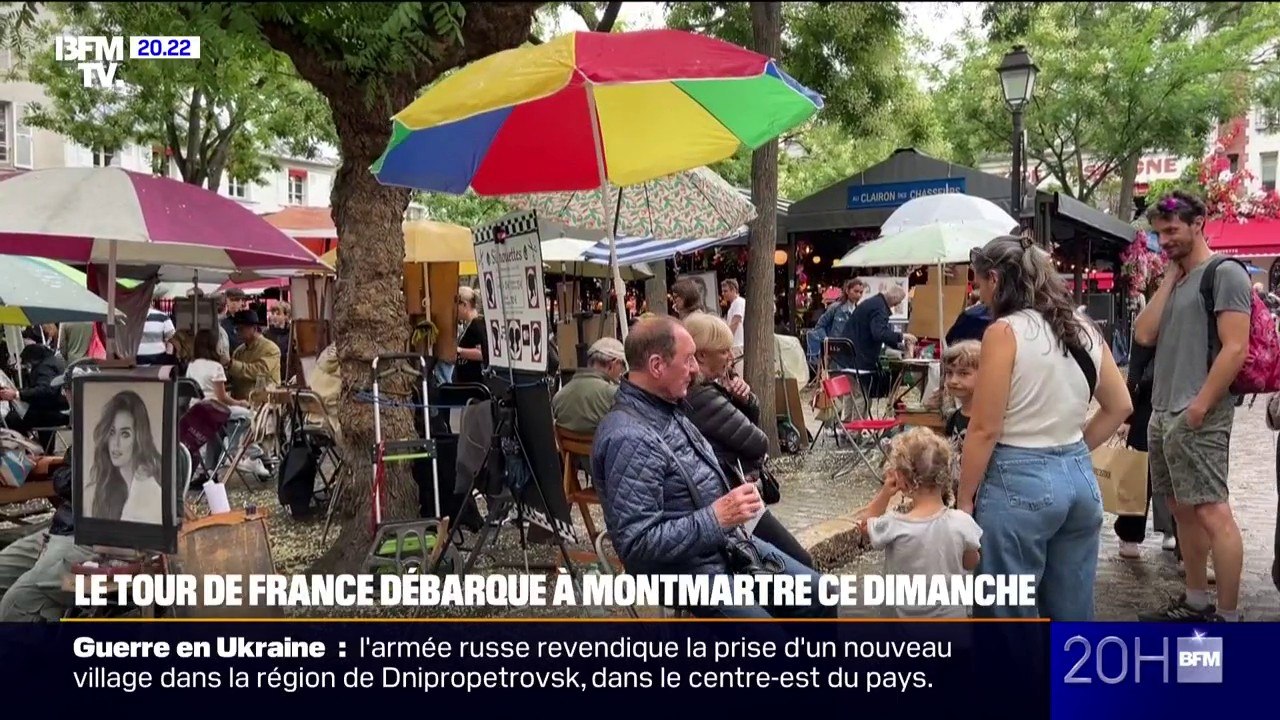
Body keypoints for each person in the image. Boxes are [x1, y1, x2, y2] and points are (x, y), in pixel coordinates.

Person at [591, 316, 834, 619]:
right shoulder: (629, 436)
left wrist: (731, 494)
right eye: (688, 359)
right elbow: (638, 544)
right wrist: (716, 517)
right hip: (685, 572)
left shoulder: (667, 405)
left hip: (726, 547)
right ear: (656, 366)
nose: (694, 369)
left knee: (822, 592)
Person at [958, 235, 1132, 621]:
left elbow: (985, 427)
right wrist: (1072, 452)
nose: (978, 291)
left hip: (1017, 481)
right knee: (1072, 611)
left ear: (996, 280)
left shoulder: (1004, 332)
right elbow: (1120, 406)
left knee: (1007, 614)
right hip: (1078, 478)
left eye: (979, 281)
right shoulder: (1083, 326)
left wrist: (965, 499)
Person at [1133, 191, 1250, 622]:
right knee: (1182, 507)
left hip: (1197, 410)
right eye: (1159, 233)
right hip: (1165, 410)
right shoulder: (1178, 278)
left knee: (1212, 509)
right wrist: (1167, 278)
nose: (1164, 240)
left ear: (1198, 222)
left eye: (1172, 230)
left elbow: (1235, 348)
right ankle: (1196, 598)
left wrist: (1199, 408)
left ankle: (1229, 614)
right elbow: (1144, 334)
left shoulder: (1225, 274)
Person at [683, 312, 815, 569]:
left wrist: (745, 400)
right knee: (801, 562)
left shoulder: (704, 391)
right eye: (723, 351)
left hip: (720, 500)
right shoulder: (703, 397)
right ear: (701, 356)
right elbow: (757, 442)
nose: (730, 357)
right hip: (728, 501)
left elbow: (742, 430)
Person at [0, 367, 96, 621]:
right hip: (63, 527)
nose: (64, 397)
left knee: (17, 603)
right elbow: (67, 480)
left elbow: (69, 483)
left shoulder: (107, 429)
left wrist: (64, 473)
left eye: (65, 391)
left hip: (89, 538)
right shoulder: (85, 428)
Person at [859, 428, 982, 618]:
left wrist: (885, 492)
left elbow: (865, 525)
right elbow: (971, 562)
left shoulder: (893, 526)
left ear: (903, 479)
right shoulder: (962, 524)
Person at [1113, 340, 1179, 560]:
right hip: (1148, 397)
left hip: (1182, 395)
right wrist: (1128, 416)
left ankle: (1176, 534)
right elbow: (1135, 370)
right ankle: (1130, 532)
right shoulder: (1151, 323)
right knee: (1138, 468)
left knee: (1176, 472)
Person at [84, 390, 164, 523]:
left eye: (125, 434)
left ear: (138, 438)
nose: (116, 443)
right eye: (111, 432)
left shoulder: (151, 492)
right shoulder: (104, 487)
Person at [845, 284, 914, 414]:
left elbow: (879, 332)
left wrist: (897, 344)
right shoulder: (880, 309)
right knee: (862, 396)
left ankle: (846, 426)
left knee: (852, 393)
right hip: (861, 357)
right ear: (893, 297)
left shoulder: (873, 303)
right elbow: (879, 333)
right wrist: (901, 336)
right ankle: (855, 431)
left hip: (849, 354)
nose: (896, 305)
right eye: (898, 301)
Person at [552, 337, 625, 435]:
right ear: (612, 364)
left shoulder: (558, 397)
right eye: (622, 366)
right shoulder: (615, 395)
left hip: (570, 450)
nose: (622, 372)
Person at [224, 310, 281, 400]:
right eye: (236, 329)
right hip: (240, 402)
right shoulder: (239, 351)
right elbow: (232, 377)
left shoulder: (270, 349)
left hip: (263, 404)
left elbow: (259, 371)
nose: (237, 332)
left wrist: (231, 364)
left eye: (241, 329)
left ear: (254, 328)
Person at [812, 278, 866, 369]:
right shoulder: (835, 308)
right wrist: (827, 343)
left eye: (861, 292)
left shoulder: (859, 311)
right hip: (835, 354)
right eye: (856, 291)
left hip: (852, 354)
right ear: (847, 291)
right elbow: (819, 326)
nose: (858, 295)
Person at [454, 287, 487, 385]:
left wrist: (459, 351)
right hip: (465, 382)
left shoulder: (477, 325)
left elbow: (482, 353)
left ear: (464, 304)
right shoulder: (467, 325)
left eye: (456, 305)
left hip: (474, 383)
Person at [720, 279, 746, 349]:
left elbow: (735, 322)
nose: (723, 293)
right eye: (722, 291)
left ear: (733, 290)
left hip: (737, 344)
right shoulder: (735, 303)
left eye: (725, 291)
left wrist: (727, 340)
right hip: (736, 344)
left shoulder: (738, 302)